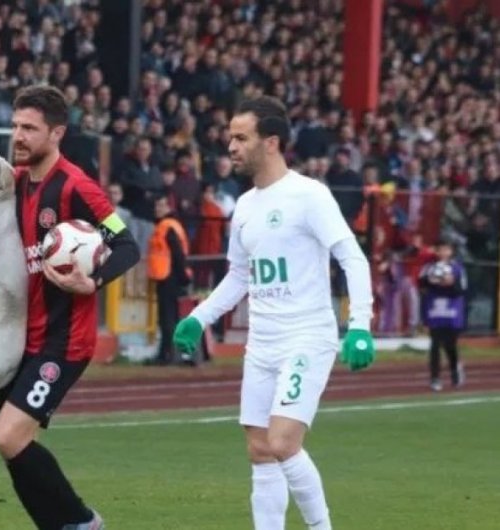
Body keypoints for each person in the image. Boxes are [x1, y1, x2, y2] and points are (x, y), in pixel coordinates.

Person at [173, 96, 375, 530]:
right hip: (261, 344)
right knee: (260, 449)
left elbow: (352, 258)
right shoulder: (245, 207)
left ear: (271, 142)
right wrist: (199, 317)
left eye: (241, 137)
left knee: (283, 442)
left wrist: (360, 325)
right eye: (230, 137)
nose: (231, 146)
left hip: (306, 336)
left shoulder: (309, 195)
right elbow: (239, 275)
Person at [0, 85, 140, 530]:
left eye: (29, 129)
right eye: (15, 126)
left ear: (56, 133)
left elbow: (127, 244)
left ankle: (82, 522)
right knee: (9, 443)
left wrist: (90, 279)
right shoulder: (14, 184)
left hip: (64, 341)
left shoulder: (78, 187)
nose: (17, 136)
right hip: (22, 337)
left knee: (9, 435)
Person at [146, 194, 192, 365]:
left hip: (168, 277)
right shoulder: (169, 226)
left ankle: (167, 354)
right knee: (169, 317)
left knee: (167, 318)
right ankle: (169, 353)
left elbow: (177, 254)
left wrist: (182, 277)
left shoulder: (167, 227)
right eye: (157, 206)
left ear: (169, 208)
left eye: (161, 206)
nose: (158, 209)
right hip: (167, 277)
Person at [418, 240, 467, 391]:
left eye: (447, 249)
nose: (443, 252)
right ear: (437, 251)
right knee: (435, 344)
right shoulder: (428, 268)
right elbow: (421, 285)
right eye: (440, 250)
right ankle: (435, 378)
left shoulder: (457, 268)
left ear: (451, 251)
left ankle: (454, 368)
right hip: (435, 311)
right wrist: (432, 282)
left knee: (450, 345)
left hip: (452, 312)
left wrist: (451, 283)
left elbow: (462, 290)